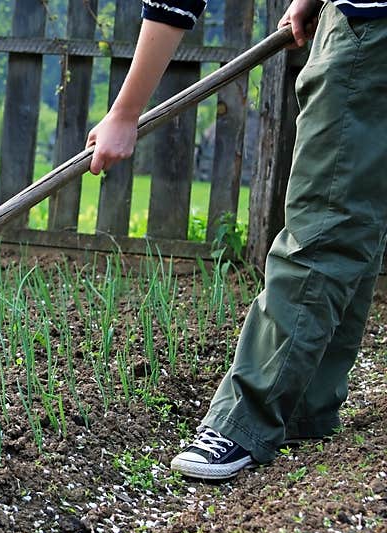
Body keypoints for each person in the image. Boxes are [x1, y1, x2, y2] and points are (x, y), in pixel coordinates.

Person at [87, 0, 387, 480]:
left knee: (325, 221)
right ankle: (306, 402)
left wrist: (125, 112)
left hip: (373, 33)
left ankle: (243, 421)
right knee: (354, 208)